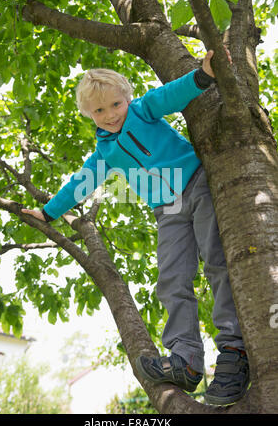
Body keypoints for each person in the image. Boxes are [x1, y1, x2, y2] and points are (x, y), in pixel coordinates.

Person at [22, 50, 249, 405]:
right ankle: (186, 360)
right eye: (99, 111)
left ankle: (234, 350)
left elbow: (171, 94)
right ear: (89, 115)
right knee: (172, 278)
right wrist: (48, 213)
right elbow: (80, 183)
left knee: (217, 261)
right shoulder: (104, 153)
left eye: (115, 104)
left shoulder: (142, 110)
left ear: (126, 98)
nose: (110, 115)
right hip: (167, 207)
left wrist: (203, 75)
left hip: (196, 183)